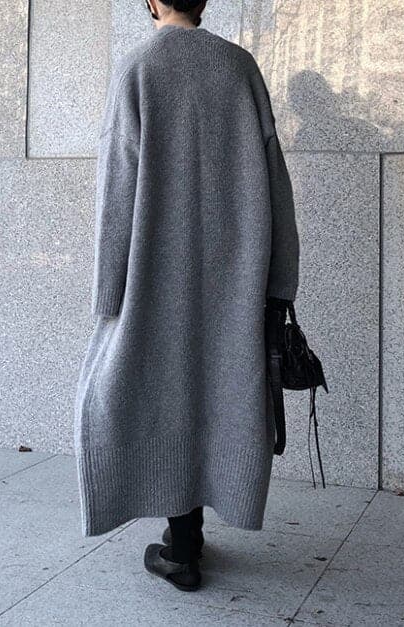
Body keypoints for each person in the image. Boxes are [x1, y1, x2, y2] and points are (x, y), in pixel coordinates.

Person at [73, 0, 300, 592]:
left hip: (153, 272)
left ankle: (181, 546)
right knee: (214, 393)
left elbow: (117, 187)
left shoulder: (137, 68)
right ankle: (187, 538)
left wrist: (108, 290)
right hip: (234, 273)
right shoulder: (239, 67)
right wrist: (280, 280)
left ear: (152, 1)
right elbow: (276, 181)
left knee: (159, 392)